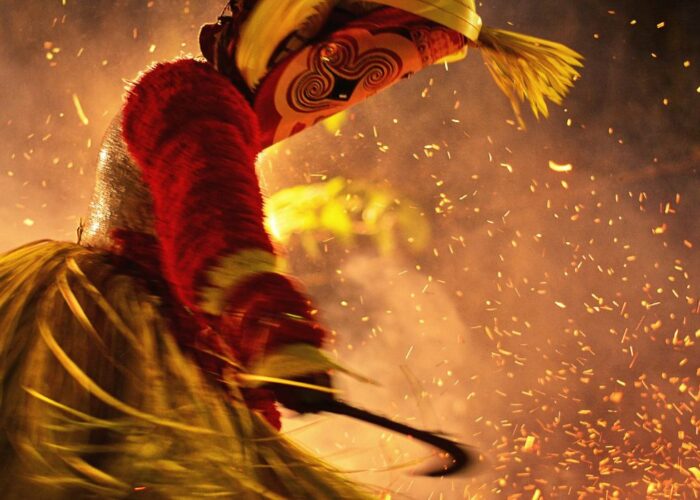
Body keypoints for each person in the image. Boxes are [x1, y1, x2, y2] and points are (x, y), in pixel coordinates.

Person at [0, 1, 582, 497]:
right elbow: (211, 213)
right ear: (315, 42)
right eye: (383, 72)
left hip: (158, 328)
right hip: (126, 335)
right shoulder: (186, 95)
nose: (365, 94)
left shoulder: (207, 106)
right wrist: (275, 334)